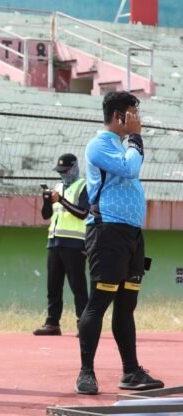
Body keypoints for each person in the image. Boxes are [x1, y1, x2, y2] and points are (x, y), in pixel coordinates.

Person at [75, 91, 164, 395]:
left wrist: (134, 141)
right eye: (133, 113)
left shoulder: (125, 146)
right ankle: (86, 372)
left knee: (127, 305)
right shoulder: (100, 144)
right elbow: (129, 168)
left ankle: (131, 372)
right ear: (118, 116)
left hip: (131, 234)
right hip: (107, 232)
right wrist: (136, 138)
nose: (137, 119)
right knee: (99, 301)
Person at [32, 153, 89, 336]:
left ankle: (84, 322)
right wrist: (47, 200)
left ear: (74, 168)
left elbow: (82, 213)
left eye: (65, 171)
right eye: (60, 172)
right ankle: (52, 322)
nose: (62, 175)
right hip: (54, 242)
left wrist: (61, 200)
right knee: (53, 285)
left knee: (77, 285)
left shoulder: (84, 186)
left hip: (74, 243)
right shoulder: (57, 187)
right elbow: (46, 215)